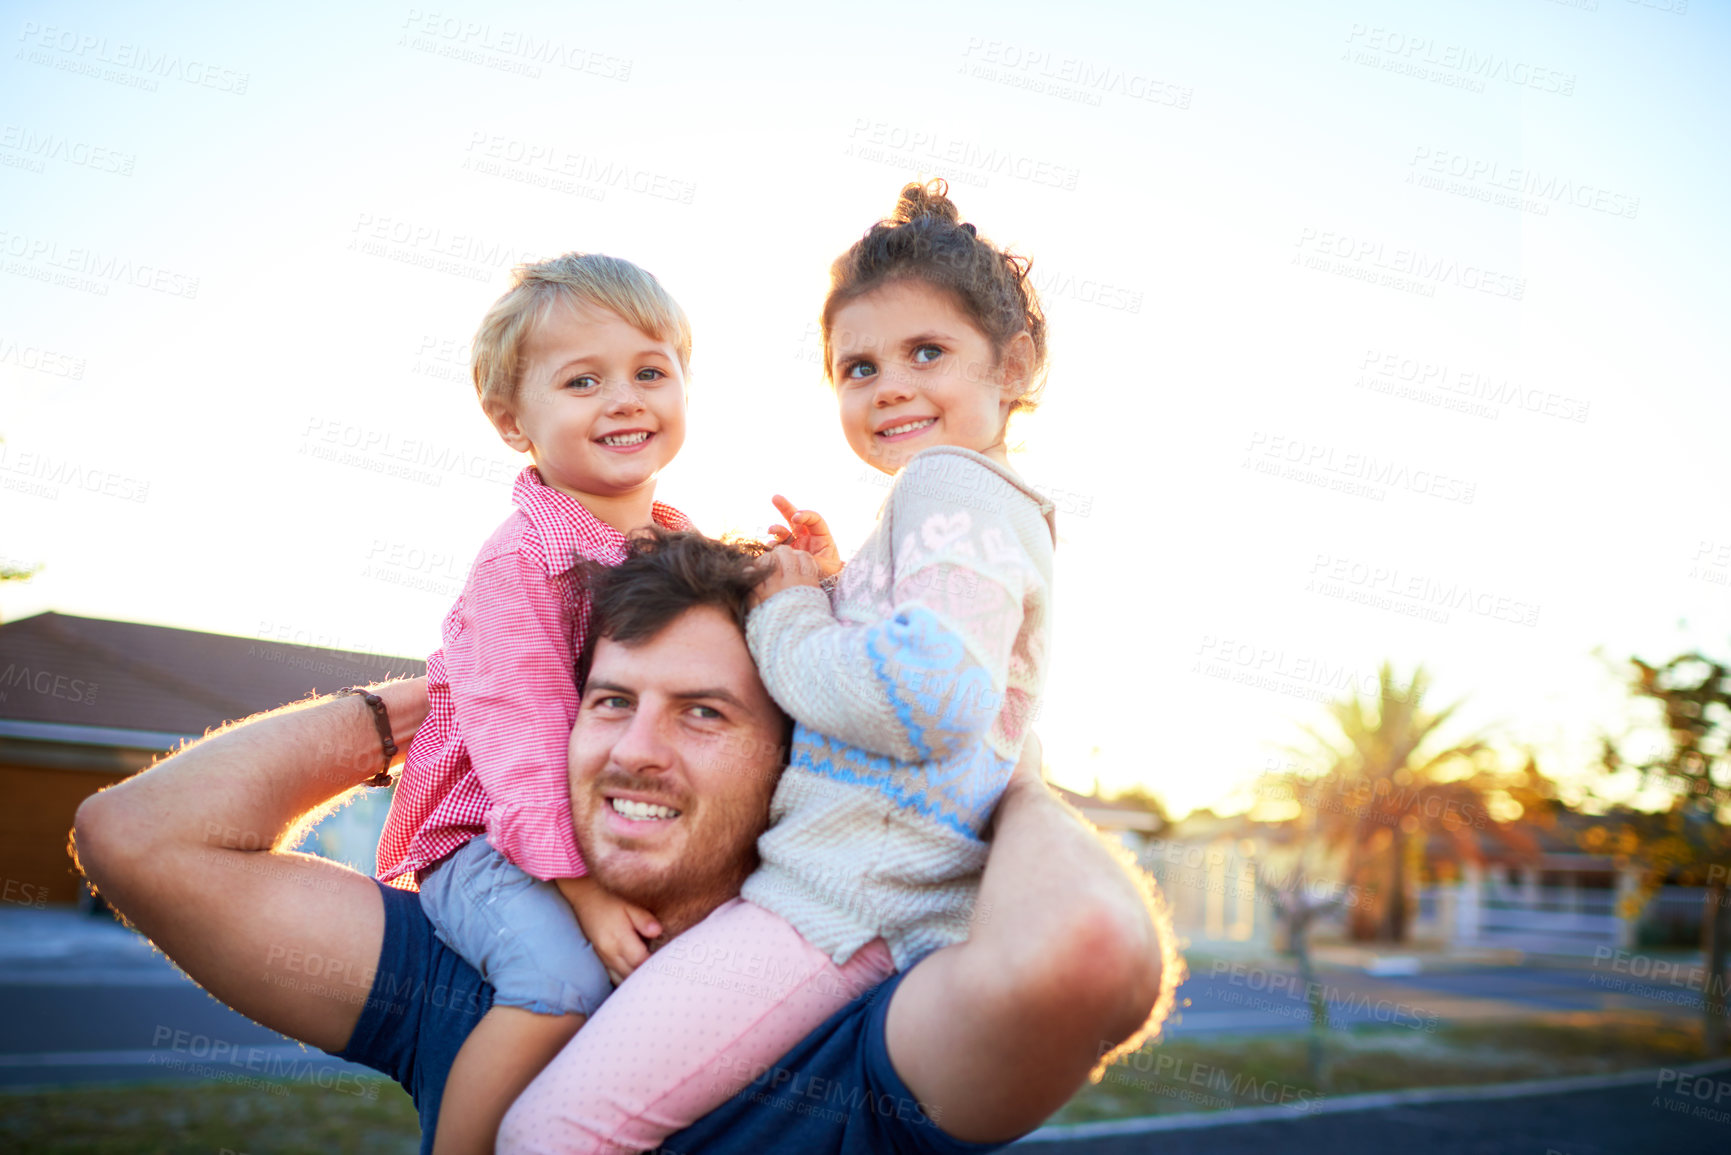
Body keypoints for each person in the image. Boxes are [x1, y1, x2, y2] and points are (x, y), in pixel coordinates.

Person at [71, 529, 1178, 1155]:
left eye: (703, 713)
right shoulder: (499, 982)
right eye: (609, 702)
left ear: (799, 758)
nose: (636, 749)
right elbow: (139, 837)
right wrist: (478, 697)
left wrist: (987, 771)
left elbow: (1085, 951)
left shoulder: (861, 1024)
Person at [501, 179, 1063, 1154]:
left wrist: (792, 609)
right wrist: (841, 579)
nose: (889, 386)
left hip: (841, 904)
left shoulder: (945, 483)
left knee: (551, 1131)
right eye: (858, 366)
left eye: (926, 352)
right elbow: (927, 655)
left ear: (1014, 363)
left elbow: (920, 697)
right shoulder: (979, 507)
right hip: (873, 892)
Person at [373, 251, 697, 1154]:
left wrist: (806, 577)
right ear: (512, 421)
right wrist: (588, 898)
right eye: (582, 380)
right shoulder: (522, 562)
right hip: (485, 841)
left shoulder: (680, 545)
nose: (624, 398)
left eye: (649, 371)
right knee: (562, 980)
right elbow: (523, 748)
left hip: (606, 830)